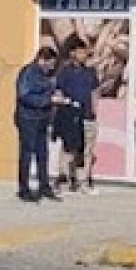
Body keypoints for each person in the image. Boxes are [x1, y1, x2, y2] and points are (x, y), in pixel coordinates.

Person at [14, 46, 66, 203]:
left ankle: (44, 186)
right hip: (28, 118)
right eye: (50, 63)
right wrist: (47, 100)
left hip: (43, 118)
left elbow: (48, 91)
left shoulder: (48, 75)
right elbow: (24, 95)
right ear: (42, 59)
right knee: (27, 154)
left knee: (43, 154)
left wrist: (56, 95)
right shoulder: (28, 73)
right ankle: (24, 189)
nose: (52, 67)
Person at [54, 37, 100, 194]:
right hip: (70, 116)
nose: (84, 54)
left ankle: (83, 181)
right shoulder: (64, 73)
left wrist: (94, 111)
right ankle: (64, 179)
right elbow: (59, 93)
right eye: (81, 51)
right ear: (73, 53)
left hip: (87, 117)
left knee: (86, 150)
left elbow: (94, 92)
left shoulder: (90, 72)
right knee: (68, 149)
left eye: (85, 51)